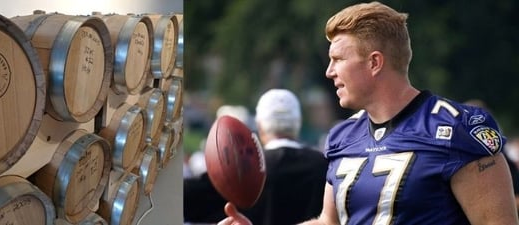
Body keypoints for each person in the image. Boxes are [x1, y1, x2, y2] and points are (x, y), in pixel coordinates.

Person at [219, 2, 519, 225]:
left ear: (374, 63)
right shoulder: (342, 136)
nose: (329, 71)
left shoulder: (456, 129)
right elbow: (328, 223)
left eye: (338, 59)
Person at [184, 90, 329, 225]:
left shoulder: (239, 169)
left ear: (259, 125)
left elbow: (184, 198)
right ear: (298, 123)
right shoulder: (326, 168)